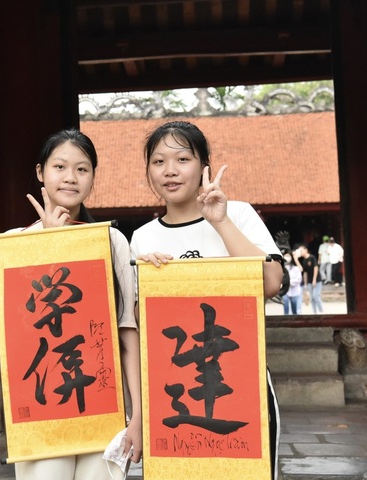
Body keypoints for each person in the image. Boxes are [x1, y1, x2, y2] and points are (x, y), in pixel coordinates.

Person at [129, 121, 283, 480]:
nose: (170, 170)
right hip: (175, 396)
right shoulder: (142, 238)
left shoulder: (238, 214)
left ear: (203, 165)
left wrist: (221, 221)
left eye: (183, 159)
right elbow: (140, 324)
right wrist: (154, 283)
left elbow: (272, 283)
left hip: (242, 388)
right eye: (158, 161)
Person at [0, 129, 142, 480]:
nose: (71, 177)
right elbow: (12, 338)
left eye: (82, 169)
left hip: (102, 405)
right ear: (41, 172)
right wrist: (47, 247)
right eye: (60, 166)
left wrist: (137, 415)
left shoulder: (111, 239)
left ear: (92, 177)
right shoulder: (12, 245)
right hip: (43, 411)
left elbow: (126, 332)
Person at [298, 244, 323, 313]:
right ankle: (314, 312)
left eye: (301, 250)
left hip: (317, 280)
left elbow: (316, 268)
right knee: (312, 297)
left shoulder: (312, 257)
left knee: (316, 295)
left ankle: (321, 311)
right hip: (309, 281)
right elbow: (305, 273)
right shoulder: (304, 261)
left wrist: (314, 279)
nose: (300, 252)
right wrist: (305, 283)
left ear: (306, 250)